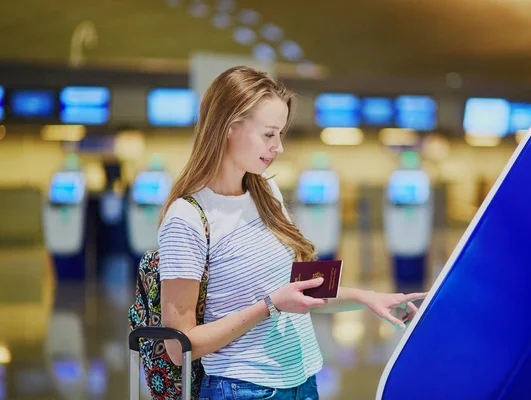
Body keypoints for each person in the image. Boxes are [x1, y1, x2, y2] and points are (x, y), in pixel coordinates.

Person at [157, 65, 427, 400]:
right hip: (243, 389)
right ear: (229, 127)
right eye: (269, 134)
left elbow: (296, 295)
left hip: (303, 381)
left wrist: (366, 298)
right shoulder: (187, 218)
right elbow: (177, 345)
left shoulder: (267, 193)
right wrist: (268, 306)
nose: (278, 147)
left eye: (280, 134)